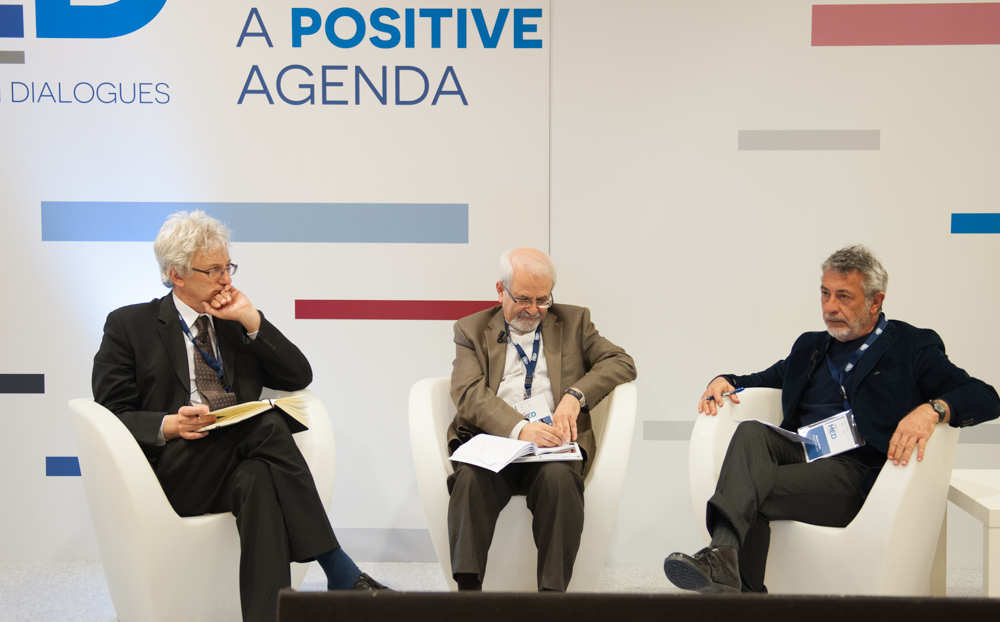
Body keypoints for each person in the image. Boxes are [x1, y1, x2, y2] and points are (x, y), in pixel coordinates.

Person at [92, 211, 388, 622]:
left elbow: (298, 376)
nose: (225, 280)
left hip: (236, 463)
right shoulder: (129, 325)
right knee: (266, 422)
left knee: (259, 480)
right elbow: (110, 413)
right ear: (176, 274)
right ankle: (336, 565)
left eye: (228, 267)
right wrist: (171, 425)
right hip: (174, 471)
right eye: (213, 270)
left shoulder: (231, 321)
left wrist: (251, 319)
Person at [663, 244, 1000, 594]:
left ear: (875, 301)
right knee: (751, 432)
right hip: (803, 450)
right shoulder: (809, 346)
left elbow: (985, 396)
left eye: (843, 296)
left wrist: (932, 410)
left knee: (746, 491)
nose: (830, 307)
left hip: (855, 470)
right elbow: (764, 378)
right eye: (825, 293)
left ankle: (734, 583)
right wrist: (727, 380)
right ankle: (725, 564)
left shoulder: (911, 345)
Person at [447, 248, 637, 591]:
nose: (534, 310)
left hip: (553, 445)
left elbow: (621, 362)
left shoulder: (574, 322)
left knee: (560, 483)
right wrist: (520, 429)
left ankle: (552, 598)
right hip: (495, 441)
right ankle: (468, 597)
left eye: (542, 299)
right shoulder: (471, 329)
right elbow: (468, 392)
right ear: (501, 290)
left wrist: (574, 396)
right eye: (523, 299)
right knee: (469, 481)